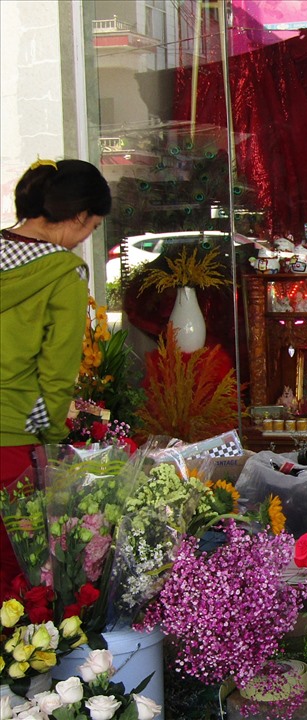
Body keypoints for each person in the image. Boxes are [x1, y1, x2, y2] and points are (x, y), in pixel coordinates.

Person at [0, 158, 111, 599]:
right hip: (13, 440)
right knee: (18, 572)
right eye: (92, 226)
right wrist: (52, 445)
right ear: (79, 216)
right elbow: (56, 372)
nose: (87, 238)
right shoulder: (63, 273)